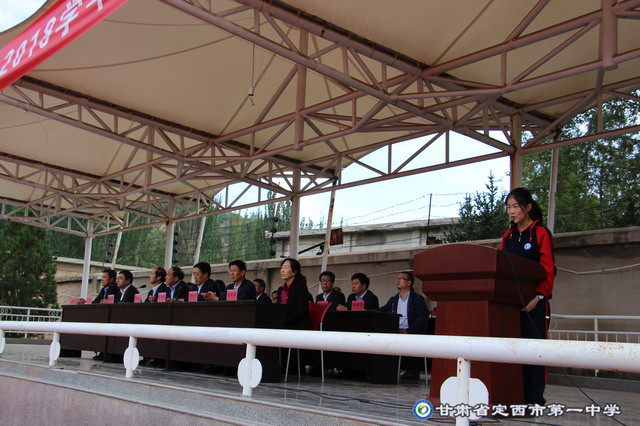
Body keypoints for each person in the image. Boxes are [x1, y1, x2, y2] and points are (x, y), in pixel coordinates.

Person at [500, 187, 555, 405]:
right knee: (512, 351)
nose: (511, 212)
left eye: (516, 206)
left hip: (536, 304)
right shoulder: (508, 236)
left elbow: (548, 269)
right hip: (511, 305)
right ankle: (514, 397)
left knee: (535, 351)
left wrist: (539, 296)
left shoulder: (541, 233)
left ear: (528, 207)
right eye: (508, 207)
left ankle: (534, 400)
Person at [378, 270, 429, 380]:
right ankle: (386, 369)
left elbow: (422, 317)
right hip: (396, 330)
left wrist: (408, 331)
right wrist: (366, 310)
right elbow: (383, 310)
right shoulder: (394, 299)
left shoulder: (417, 299)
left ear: (409, 283)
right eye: (397, 278)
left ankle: (412, 371)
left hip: (412, 332)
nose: (398, 281)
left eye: (401, 279)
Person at [277, 258, 311, 329]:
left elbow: (300, 311)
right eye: (281, 268)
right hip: (283, 324)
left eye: (286, 268)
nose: (282, 270)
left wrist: (284, 321)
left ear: (294, 272)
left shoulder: (301, 287)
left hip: (297, 325)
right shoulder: (281, 289)